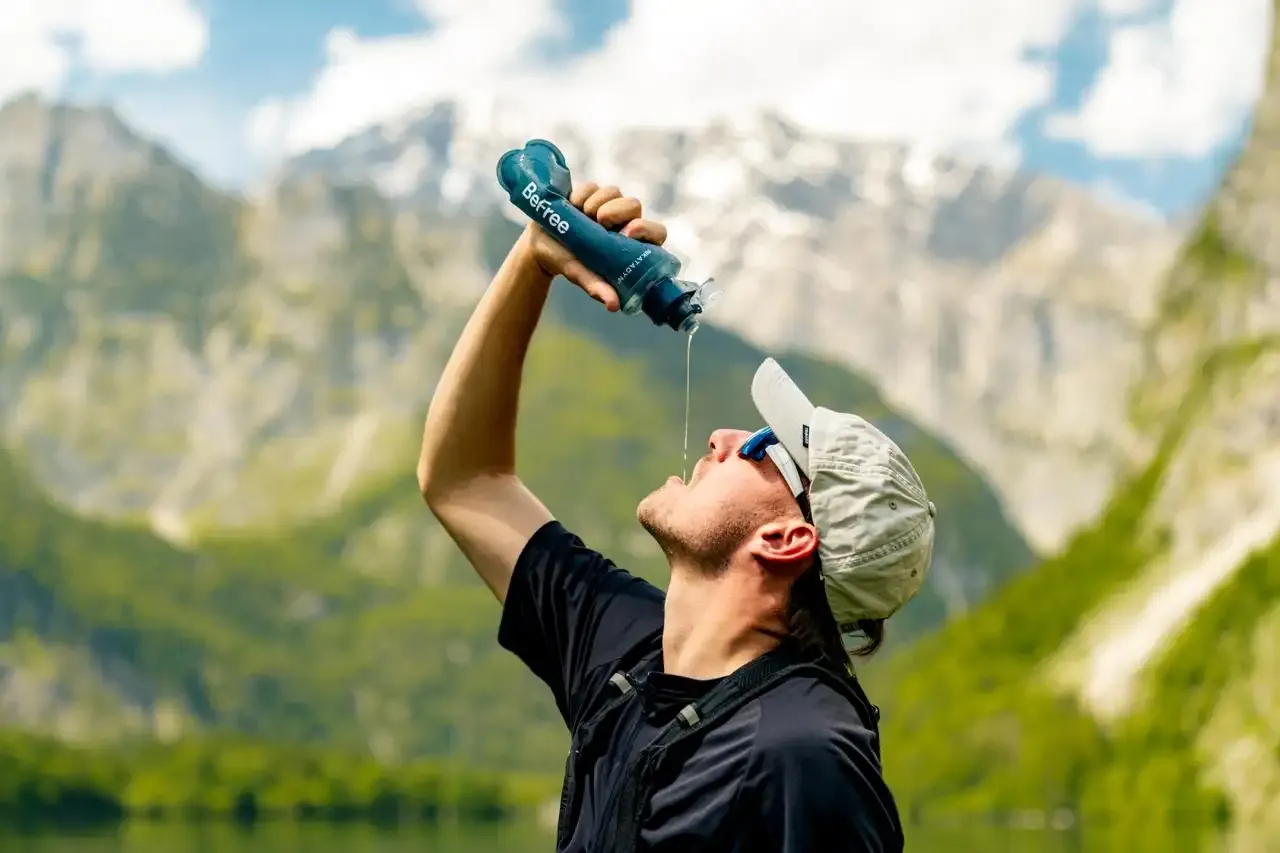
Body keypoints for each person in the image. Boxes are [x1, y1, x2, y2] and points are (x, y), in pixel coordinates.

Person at [417, 179, 936, 853]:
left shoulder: (804, 755)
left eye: (760, 447)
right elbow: (465, 481)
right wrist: (535, 255)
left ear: (786, 538)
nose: (721, 437)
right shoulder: (631, 651)